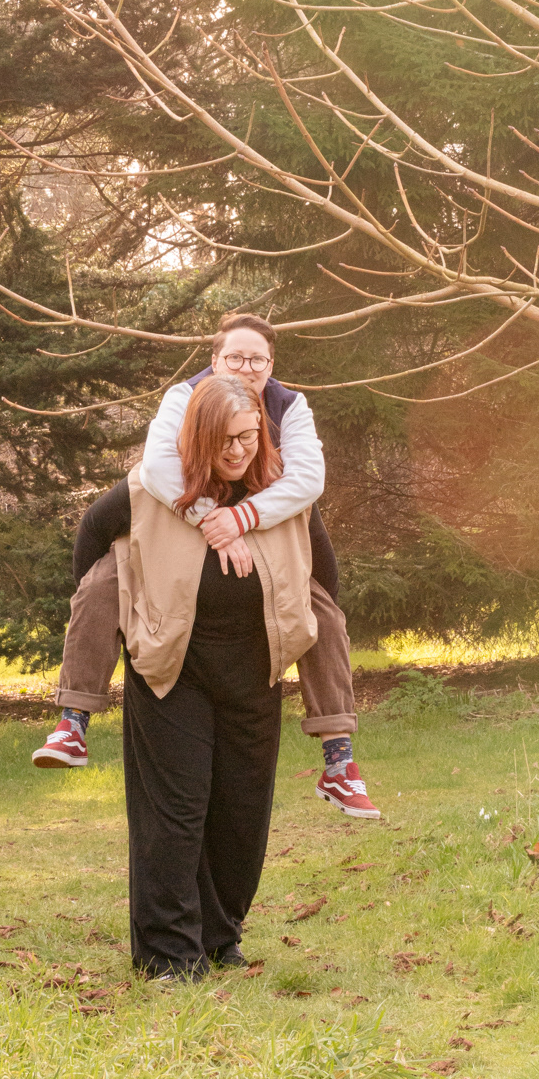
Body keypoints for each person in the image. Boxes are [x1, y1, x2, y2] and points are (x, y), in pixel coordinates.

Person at [33, 313, 379, 818]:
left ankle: (339, 761)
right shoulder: (183, 399)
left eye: (257, 359)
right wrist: (208, 518)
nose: (245, 367)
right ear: (214, 361)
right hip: (176, 511)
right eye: (234, 357)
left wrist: (242, 518)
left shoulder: (290, 406)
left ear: (271, 365)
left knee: (321, 613)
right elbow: (155, 470)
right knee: (105, 581)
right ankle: (73, 718)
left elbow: (307, 480)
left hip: (263, 514)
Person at [71, 374, 309, 977]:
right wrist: (129, 622)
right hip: (171, 670)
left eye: (249, 437)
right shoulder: (150, 489)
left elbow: (322, 576)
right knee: (176, 813)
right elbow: (90, 546)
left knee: (241, 812)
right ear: (199, 437)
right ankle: (168, 953)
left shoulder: (281, 495)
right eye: (225, 440)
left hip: (254, 674)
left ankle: (220, 936)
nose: (238, 451)